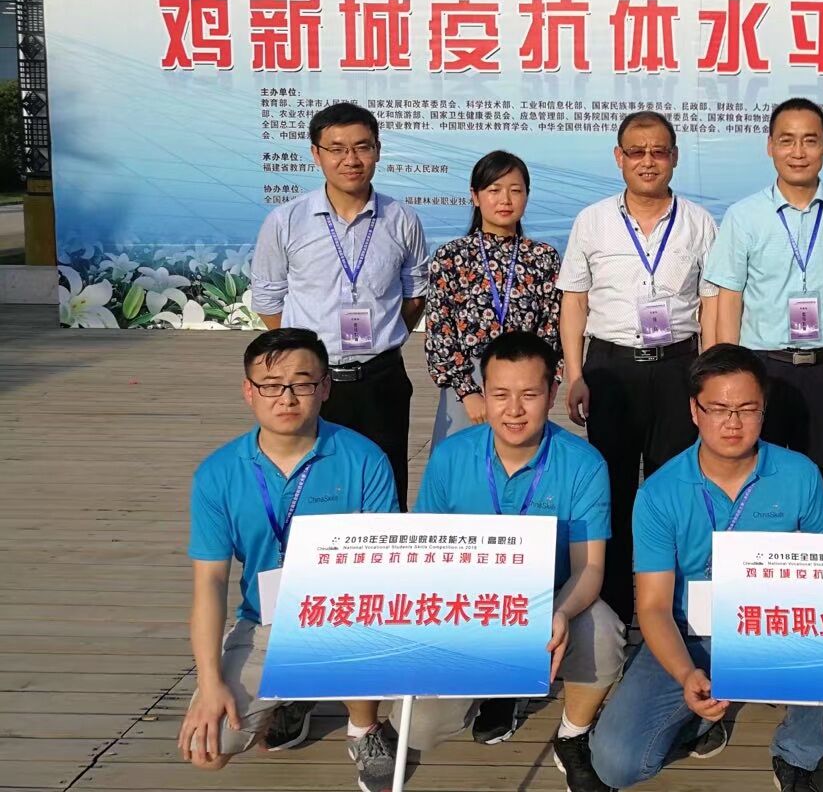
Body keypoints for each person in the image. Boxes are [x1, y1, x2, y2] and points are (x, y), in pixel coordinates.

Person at [589, 345, 823, 792]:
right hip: (690, 630)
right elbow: (654, 606)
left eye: (747, 409)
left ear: (764, 409)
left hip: (773, 623)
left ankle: (796, 753)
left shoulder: (800, 475)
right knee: (614, 762)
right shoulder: (659, 492)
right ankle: (700, 711)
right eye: (718, 408)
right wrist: (686, 674)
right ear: (694, 410)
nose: (733, 422)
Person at [179, 328, 400, 792]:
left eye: (302, 383)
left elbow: (385, 567)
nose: (287, 397)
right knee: (207, 749)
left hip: (345, 613)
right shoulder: (218, 473)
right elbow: (210, 584)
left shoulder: (365, 459)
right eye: (271, 385)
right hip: (265, 622)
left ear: (325, 388)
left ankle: (364, 728)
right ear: (248, 391)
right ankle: (289, 697)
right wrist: (210, 681)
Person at [409, 331, 624, 792]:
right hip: (469, 608)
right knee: (419, 729)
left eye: (529, 394)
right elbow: (425, 554)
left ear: (553, 391)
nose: (514, 410)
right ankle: (501, 690)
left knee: (604, 633)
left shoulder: (584, 464)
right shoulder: (450, 456)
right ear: (483, 393)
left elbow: (589, 568)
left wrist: (559, 613)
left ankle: (573, 734)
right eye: (500, 394)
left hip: (549, 602)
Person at [559, 109, 718, 628]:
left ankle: (674, 612)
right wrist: (576, 374)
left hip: (678, 368)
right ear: (619, 157)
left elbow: (712, 303)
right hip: (611, 369)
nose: (647, 161)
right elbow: (575, 301)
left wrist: (710, 379)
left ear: (674, 157)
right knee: (615, 487)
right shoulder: (592, 220)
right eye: (636, 151)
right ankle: (613, 614)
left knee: (676, 489)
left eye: (658, 151)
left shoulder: (699, 222)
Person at [251, 102, 429, 507]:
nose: (351, 159)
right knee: (312, 489)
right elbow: (268, 299)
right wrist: (302, 353)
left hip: (381, 379)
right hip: (311, 383)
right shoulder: (286, 221)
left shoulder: (401, 219)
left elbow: (415, 294)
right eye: (337, 149)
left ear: (378, 151)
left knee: (385, 489)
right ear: (316, 154)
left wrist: (382, 338)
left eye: (362, 147)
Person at [704, 98, 823, 492]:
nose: (798, 152)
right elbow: (729, 300)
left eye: (809, 140)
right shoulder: (744, 216)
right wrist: (729, 374)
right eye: (787, 140)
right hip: (761, 368)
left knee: (816, 483)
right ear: (770, 146)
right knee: (754, 479)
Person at [426, 151, 561, 449]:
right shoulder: (451, 256)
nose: (505, 200)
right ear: (475, 196)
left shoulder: (543, 257)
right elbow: (439, 332)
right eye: (494, 190)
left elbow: (551, 329)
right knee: (463, 466)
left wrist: (546, 383)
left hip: (525, 381)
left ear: (527, 195)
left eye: (515, 191)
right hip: (467, 384)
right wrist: (468, 392)